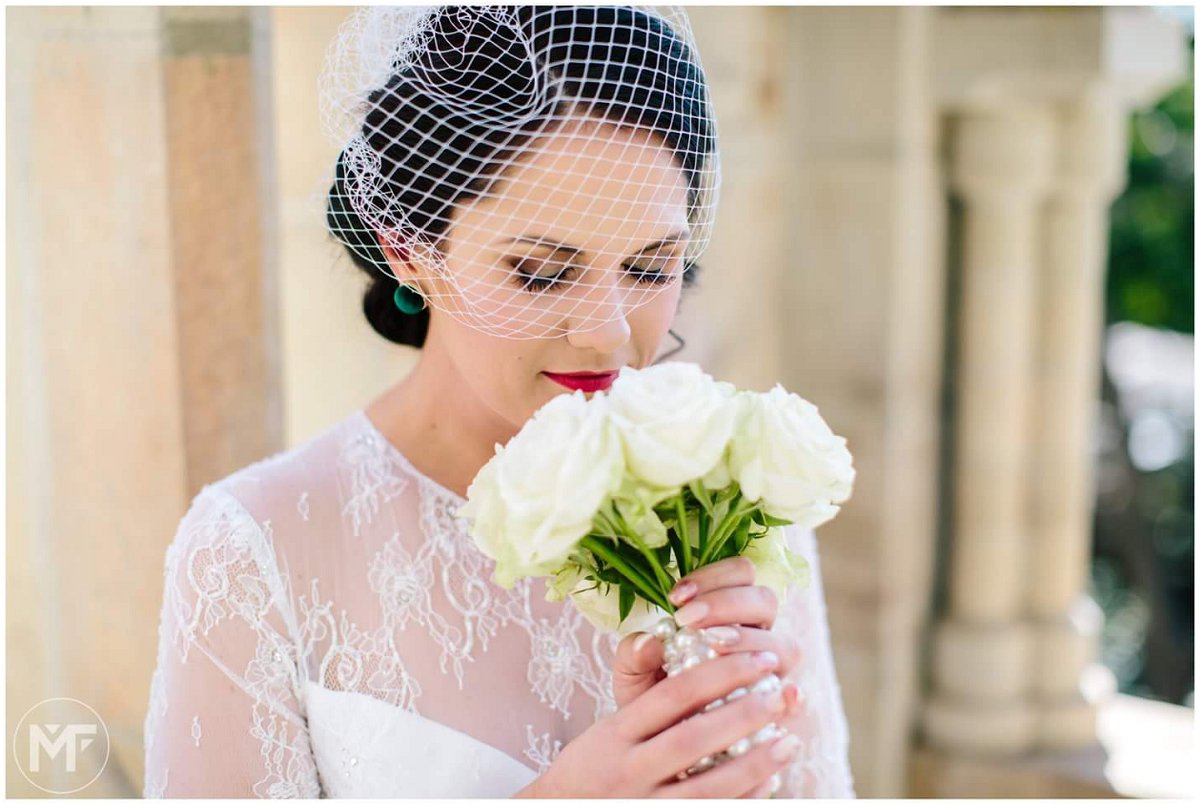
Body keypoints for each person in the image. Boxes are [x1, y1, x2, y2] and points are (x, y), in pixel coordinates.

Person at [142, 5, 854, 798]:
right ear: (405, 245)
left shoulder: (734, 491)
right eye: (543, 272)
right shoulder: (255, 550)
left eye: (652, 267)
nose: (606, 332)